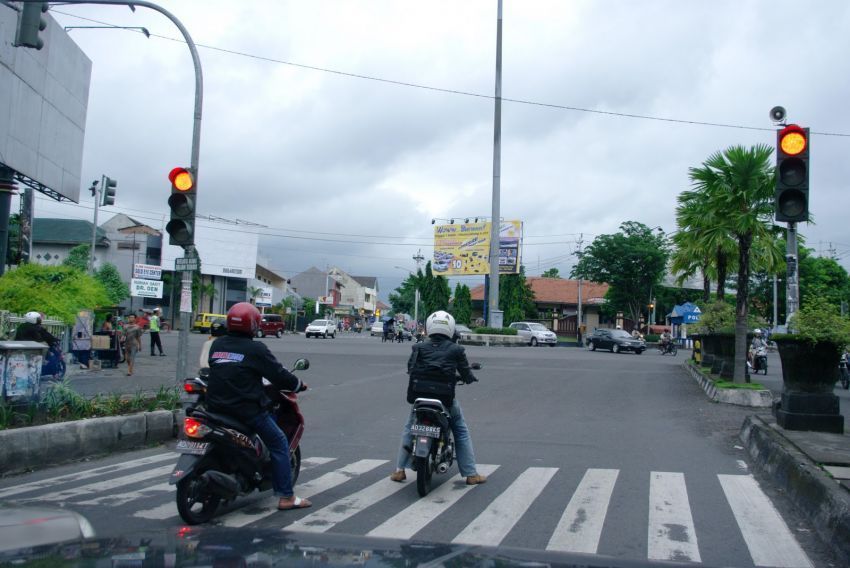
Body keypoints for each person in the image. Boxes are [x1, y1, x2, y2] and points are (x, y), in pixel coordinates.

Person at [206, 302, 311, 511]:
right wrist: (298, 384)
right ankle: (286, 497)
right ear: (253, 325)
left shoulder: (217, 345)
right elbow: (278, 374)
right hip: (246, 412)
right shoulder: (255, 349)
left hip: (215, 409)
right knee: (280, 443)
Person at [390, 310, 487, 485]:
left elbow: (410, 368)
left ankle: (399, 470)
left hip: (419, 398)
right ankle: (471, 474)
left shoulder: (418, 347)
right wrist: (469, 378)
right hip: (444, 399)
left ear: (429, 327)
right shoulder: (456, 349)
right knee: (460, 430)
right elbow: (465, 372)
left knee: (409, 427)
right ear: (450, 328)